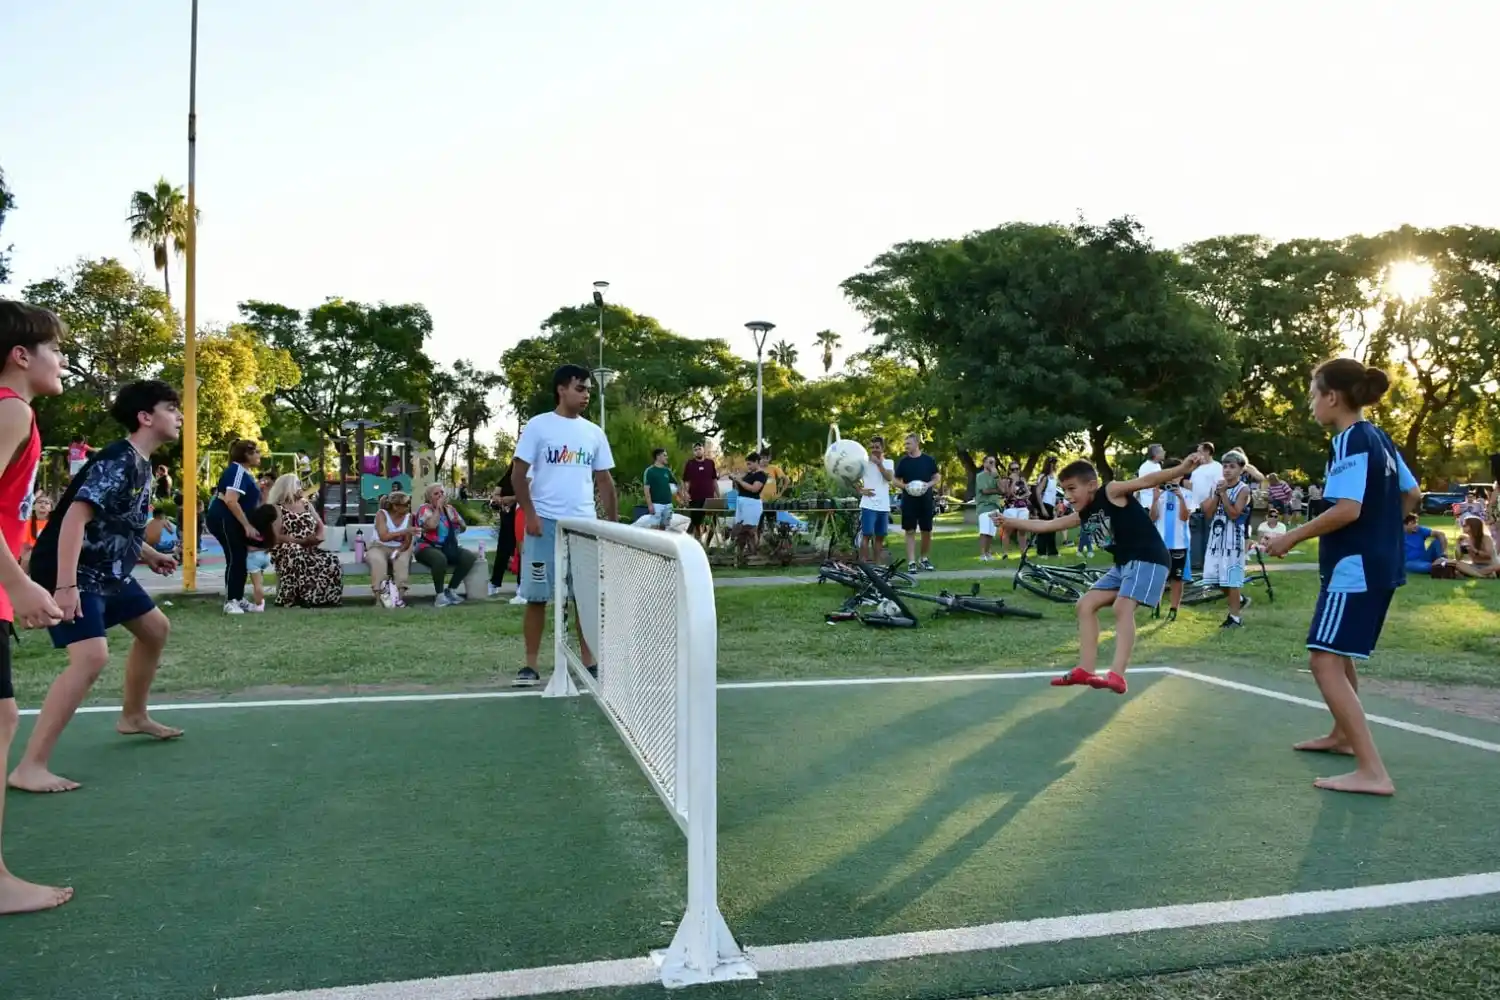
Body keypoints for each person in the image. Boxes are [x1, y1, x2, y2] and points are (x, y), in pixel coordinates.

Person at [11, 379, 184, 796]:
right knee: (91, 656)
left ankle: (133, 716)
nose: (179, 416)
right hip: (72, 568)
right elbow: (74, 519)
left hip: (105, 569)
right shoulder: (118, 459)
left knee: (156, 629)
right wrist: (66, 586)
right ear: (145, 417)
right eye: (171, 408)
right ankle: (30, 766)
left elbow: (116, 525)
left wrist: (147, 553)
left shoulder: (141, 464)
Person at [1263, 359, 1420, 796]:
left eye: (1314, 393)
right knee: (1340, 652)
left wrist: (1291, 537)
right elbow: (1412, 493)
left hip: (1355, 567)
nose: (1311, 402)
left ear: (1332, 397)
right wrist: (1384, 534)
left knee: (1323, 658)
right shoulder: (1380, 439)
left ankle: (1373, 771)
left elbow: (1348, 508)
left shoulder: (1350, 439)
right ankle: (1343, 736)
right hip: (1377, 563)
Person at [998, 453, 1208, 694]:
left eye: (1072, 489)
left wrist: (1181, 467)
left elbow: (1146, 481)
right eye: (1065, 490)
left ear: (1092, 485)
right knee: (1085, 604)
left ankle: (1117, 675)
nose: (1067, 496)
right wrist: (1009, 522)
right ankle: (1086, 669)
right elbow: (1048, 526)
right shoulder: (1084, 514)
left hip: (1149, 559)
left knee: (1122, 607)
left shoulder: (1111, 492)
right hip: (1124, 565)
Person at [0, 302, 71, 914]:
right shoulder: (12, 411)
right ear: (21, 356)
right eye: (54, 349)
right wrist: (20, 587)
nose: (62, 359)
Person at [510, 364, 618, 687]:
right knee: (537, 596)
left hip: (583, 525)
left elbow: (605, 481)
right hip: (544, 525)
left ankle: (590, 663)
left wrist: (611, 526)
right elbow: (518, 475)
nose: (586, 394)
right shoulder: (539, 427)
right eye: (580, 388)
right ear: (561, 389)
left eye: (587, 389)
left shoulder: (593, 433)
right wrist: (530, 515)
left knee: (584, 596)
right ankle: (530, 666)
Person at [204, 438, 263, 614]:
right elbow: (230, 499)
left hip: (232, 519)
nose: (260, 455)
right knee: (235, 556)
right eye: (256, 452)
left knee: (239, 557)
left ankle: (238, 597)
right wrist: (246, 525)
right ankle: (231, 601)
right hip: (224, 518)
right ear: (246, 454)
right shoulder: (237, 471)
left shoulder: (245, 473)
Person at [1199, 450, 1253, 628]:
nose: (1227, 470)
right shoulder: (1218, 486)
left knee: (1231, 578)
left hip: (1232, 541)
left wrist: (1223, 495)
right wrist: (1217, 494)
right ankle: (1240, 599)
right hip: (1216, 540)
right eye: (1225, 466)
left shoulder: (1243, 490)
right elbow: (1207, 513)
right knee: (1215, 579)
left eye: (1232, 466)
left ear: (1241, 470)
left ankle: (1235, 618)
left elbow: (1234, 514)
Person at [413, 484, 476, 606]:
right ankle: (440, 595)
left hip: (448, 547)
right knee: (439, 559)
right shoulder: (424, 509)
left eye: (441, 493)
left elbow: (462, 528)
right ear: (429, 497)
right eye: (436, 494)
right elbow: (431, 526)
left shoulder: (450, 509)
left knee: (468, 557)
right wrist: (438, 509)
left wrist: (460, 523)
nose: (440, 495)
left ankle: (451, 590)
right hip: (426, 547)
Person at [1149, 465, 1193, 622]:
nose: (1172, 478)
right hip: (1160, 543)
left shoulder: (1187, 494)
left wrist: (1180, 498)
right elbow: (1152, 518)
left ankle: (1174, 609)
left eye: (1176, 475)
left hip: (1179, 544)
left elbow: (1184, 517)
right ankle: (1156, 605)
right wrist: (1154, 500)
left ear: (1181, 476)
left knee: (1177, 578)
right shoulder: (1158, 494)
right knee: (1158, 576)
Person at [894, 434, 940, 571]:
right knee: (910, 530)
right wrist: (905, 487)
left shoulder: (928, 460)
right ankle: (911, 562)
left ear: (916, 444)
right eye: (905, 444)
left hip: (925, 500)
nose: (906, 446)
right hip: (909, 501)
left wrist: (928, 484)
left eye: (908, 444)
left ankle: (924, 559)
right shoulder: (903, 462)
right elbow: (895, 480)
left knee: (926, 530)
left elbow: (937, 476)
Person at [858, 437, 895, 563]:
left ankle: (877, 565)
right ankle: (863, 565)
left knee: (880, 536)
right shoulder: (864, 463)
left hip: (883, 506)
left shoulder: (888, 462)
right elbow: (849, 477)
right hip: (868, 505)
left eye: (877, 447)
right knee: (867, 534)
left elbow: (889, 477)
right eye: (872, 447)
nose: (874, 450)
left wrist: (879, 463)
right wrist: (860, 490)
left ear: (882, 448)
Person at [681, 443, 719, 542]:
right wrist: (686, 494)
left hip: (709, 498)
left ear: (703, 450)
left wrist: (718, 495)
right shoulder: (690, 463)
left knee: (713, 523)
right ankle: (698, 542)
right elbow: (686, 481)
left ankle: (707, 544)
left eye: (699, 449)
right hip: (695, 497)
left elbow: (714, 480)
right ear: (693, 452)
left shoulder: (710, 463)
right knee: (696, 522)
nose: (698, 451)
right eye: (695, 449)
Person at [643, 448, 679, 530]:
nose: (667, 457)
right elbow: (646, 489)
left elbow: (676, 484)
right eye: (664, 455)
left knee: (664, 527)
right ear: (658, 456)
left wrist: (680, 496)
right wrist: (650, 505)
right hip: (656, 504)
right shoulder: (650, 471)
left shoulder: (667, 471)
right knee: (654, 527)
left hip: (668, 504)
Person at [974, 455, 1002, 561]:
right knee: (984, 531)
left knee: (991, 532)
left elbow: (1003, 490)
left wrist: (996, 477)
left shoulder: (995, 476)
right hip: (984, 505)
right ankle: (982, 554)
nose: (991, 464)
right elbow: (985, 491)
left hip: (995, 505)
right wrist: (997, 490)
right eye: (990, 462)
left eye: (993, 462)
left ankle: (988, 553)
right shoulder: (980, 476)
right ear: (984, 463)